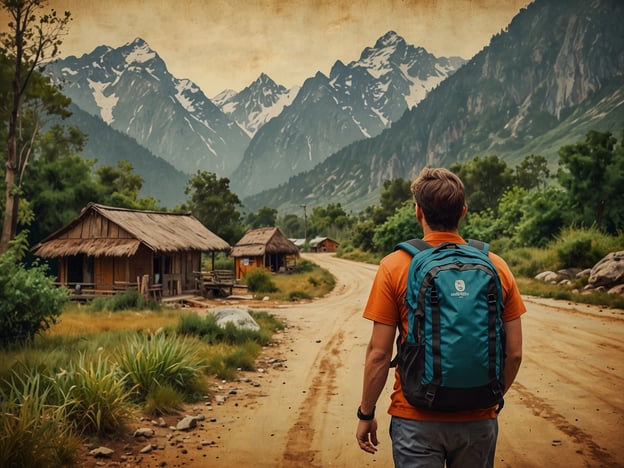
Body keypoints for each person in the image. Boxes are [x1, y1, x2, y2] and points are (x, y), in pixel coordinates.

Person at [356, 167, 525, 467]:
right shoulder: (496, 266)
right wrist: (492, 398)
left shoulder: (394, 266)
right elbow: (514, 353)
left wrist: (366, 413)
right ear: (463, 211)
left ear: (418, 211)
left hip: (415, 417)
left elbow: (379, 354)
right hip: (479, 420)